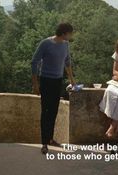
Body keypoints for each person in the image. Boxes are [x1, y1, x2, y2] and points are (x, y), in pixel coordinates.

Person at [31, 22, 76, 154]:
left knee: (54, 111)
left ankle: (50, 139)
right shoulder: (46, 43)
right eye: (70, 33)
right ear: (64, 33)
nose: (71, 35)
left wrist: (72, 80)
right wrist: (35, 84)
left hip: (58, 81)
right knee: (46, 112)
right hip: (46, 81)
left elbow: (67, 62)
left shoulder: (66, 44)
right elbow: (34, 61)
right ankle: (44, 143)